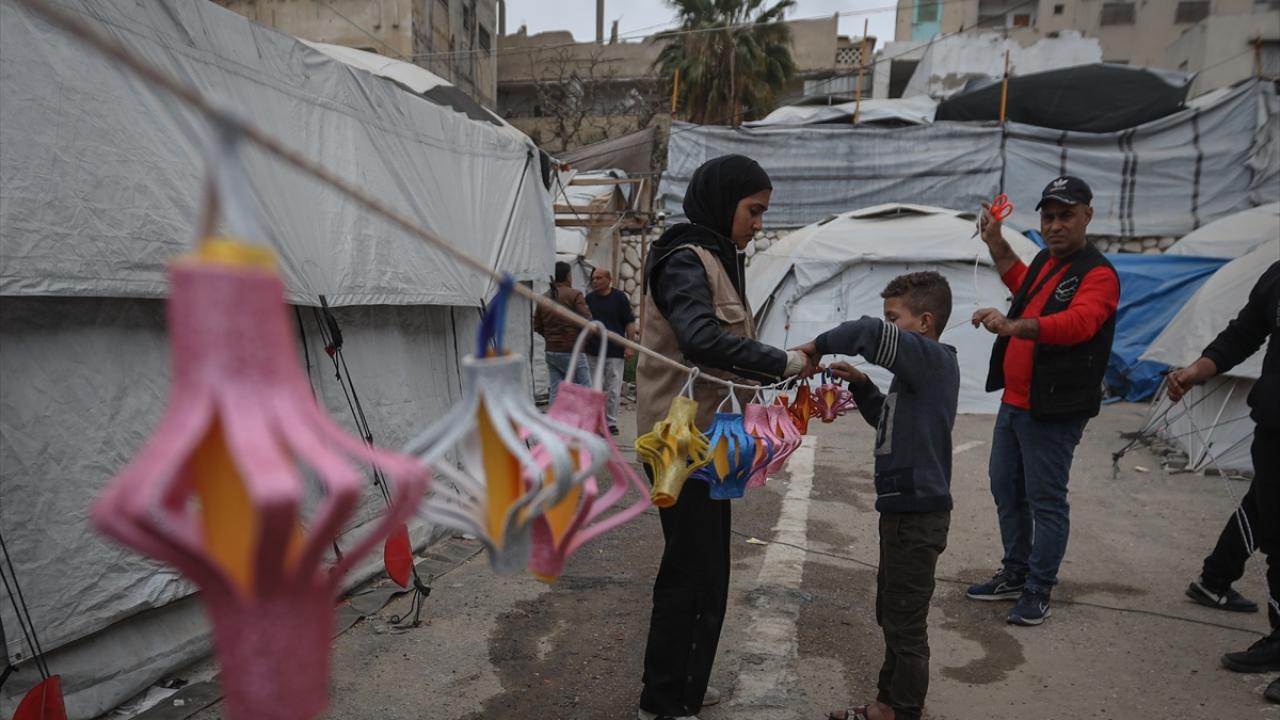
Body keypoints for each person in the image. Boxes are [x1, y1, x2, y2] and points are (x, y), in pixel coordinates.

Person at [635, 154, 813, 720]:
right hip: (678, 442)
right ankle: (664, 702)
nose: (759, 223)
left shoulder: (716, 258)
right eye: (753, 210)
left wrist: (782, 373)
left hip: (710, 441)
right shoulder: (685, 259)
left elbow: (725, 353)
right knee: (690, 572)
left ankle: (684, 684)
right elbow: (701, 339)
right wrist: (784, 360)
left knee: (707, 572)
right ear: (722, 201)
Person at [796, 272, 959, 720]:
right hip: (903, 513)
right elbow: (887, 422)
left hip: (917, 515)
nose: (888, 326)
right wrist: (863, 385)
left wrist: (818, 346)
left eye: (895, 318)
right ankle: (887, 703)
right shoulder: (914, 378)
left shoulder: (933, 360)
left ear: (924, 322)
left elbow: (867, 332)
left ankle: (900, 710)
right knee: (893, 612)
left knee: (906, 623)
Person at [965, 176, 1120, 626]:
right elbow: (1020, 280)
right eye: (1048, 216)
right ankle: (1015, 572)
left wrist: (1012, 326)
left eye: (1065, 215)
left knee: (1046, 499)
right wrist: (994, 240)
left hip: (1054, 407)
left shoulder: (1099, 274)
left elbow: (1079, 324)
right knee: (1006, 488)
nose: (1055, 225)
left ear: (1087, 215)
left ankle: (1038, 587)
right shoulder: (1045, 262)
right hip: (1016, 401)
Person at [1166, 261, 1279, 704]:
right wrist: (1197, 370)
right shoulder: (1277, 276)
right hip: (1274, 431)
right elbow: (1244, 333)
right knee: (1275, 540)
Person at [584, 267, 637, 435]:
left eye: (599, 278)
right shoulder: (589, 299)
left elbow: (629, 322)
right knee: (594, 388)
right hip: (593, 351)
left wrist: (629, 345)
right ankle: (595, 421)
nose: (595, 281)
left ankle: (611, 422)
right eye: (593, 278)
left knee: (613, 388)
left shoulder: (619, 298)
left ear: (609, 279)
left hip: (614, 351)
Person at [534, 260, 592, 403]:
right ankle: (585, 417)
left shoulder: (543, 297)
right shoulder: (574, 294)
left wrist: (550, 337)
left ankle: (554, 417)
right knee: (585, 389)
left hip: (551, 350)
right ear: (568, 276)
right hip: (573, 349)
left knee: (555, 391)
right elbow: (587, 321)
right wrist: (584, 341)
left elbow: (537, 326)